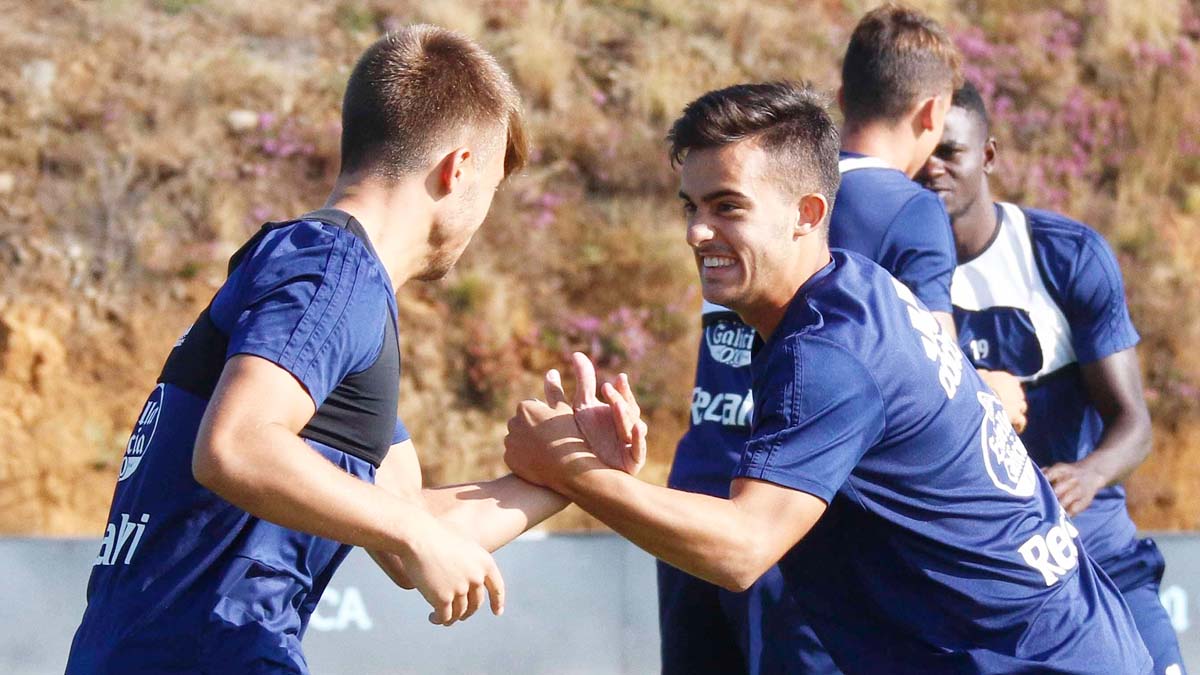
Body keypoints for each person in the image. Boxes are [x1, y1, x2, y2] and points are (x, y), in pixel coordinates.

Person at [504, 80, 1153, 674]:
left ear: (808, 212)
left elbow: (742, 547)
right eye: (691, 205)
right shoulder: (850, 291)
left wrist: (573, 471)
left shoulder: (828, 348)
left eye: (728, 206)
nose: (699, 231)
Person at [66, 25, 570, 674]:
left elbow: (407, 524)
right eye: (492, 191)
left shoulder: (328, 288)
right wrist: (413, 535)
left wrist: (567, 478)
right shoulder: (335, 272)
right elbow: (236, 445)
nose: (482, 221)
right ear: (460, 168)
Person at [658, 5, 968, 672]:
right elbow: (938, 370)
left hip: (694, 492)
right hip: (796, 519)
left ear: (842, 97)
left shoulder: (750, 176)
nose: (701, 229)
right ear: (932, 112)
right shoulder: (907, 209)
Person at [917, 80, 1186, 675]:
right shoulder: (883, 274)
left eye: (951, 152)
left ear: (988, 155)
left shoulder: (1064, 256)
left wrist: (1089, 474)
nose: (933, 169)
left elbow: (1134, 423)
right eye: (923, 153)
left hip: (1097, 557)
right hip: (980, 583)